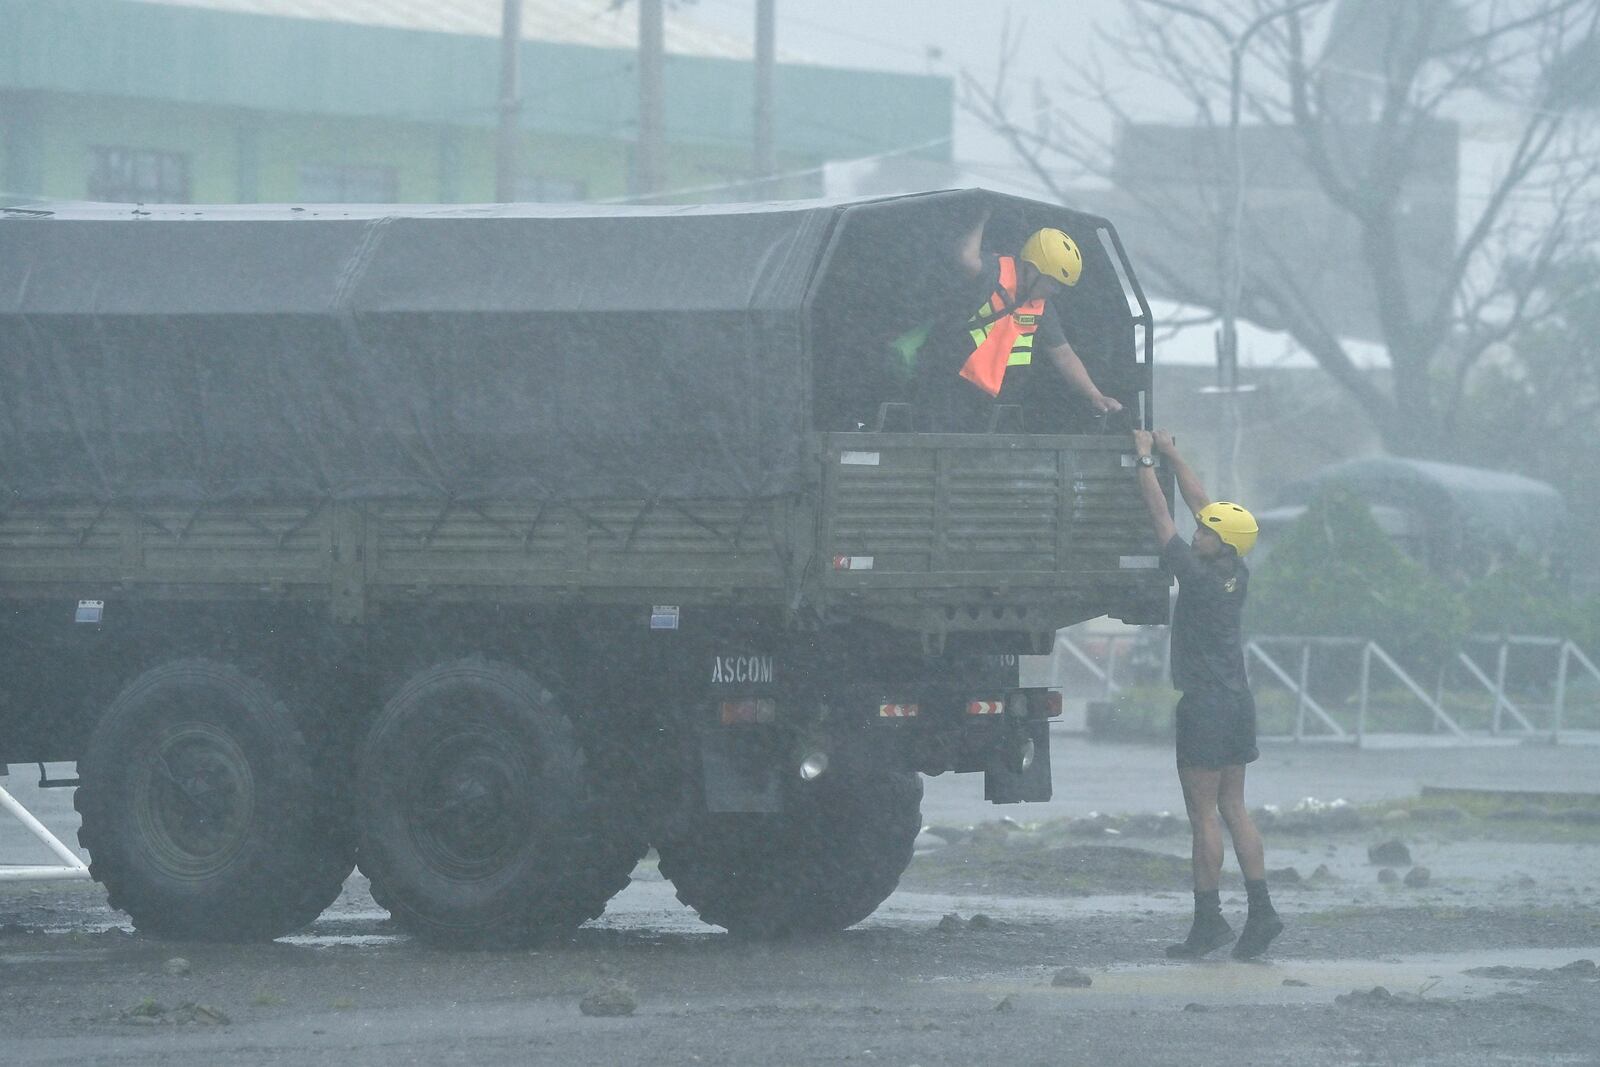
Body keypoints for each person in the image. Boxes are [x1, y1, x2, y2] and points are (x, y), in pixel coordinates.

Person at [1131, 428, 1282, 960]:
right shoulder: (1235, 571)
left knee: (1203, 817)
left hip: (1204, 705)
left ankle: (1208, 921)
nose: (1198, 534)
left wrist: (1146, 459)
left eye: (1206, 533)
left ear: (1220, 543)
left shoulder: (1195, 575)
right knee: (1235, 807)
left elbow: (1161, 519)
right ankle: (1261, 913)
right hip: (1238, 703)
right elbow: (1204, 508)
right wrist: (1175, 451)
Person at [912, 210, 1122, 432]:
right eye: (1052, 282)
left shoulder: (1041, 306)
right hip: (945, 387)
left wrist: (1095, 395)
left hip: (985, 401)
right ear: (1031, 268)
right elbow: (966, 259)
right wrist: (980, 216)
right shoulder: (993, 274)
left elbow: (1064, 354)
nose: (1055, 291)